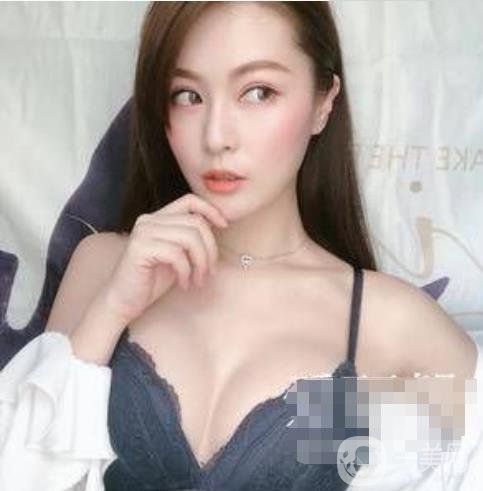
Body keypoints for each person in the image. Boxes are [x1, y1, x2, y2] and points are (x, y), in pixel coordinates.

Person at [0, 2, 481, 490]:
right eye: (188, 95)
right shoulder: (105, 266)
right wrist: (110, 311)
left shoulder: (388, 320)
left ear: (323, 102)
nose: (216, 137)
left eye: (258, 92)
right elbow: (21, 475)